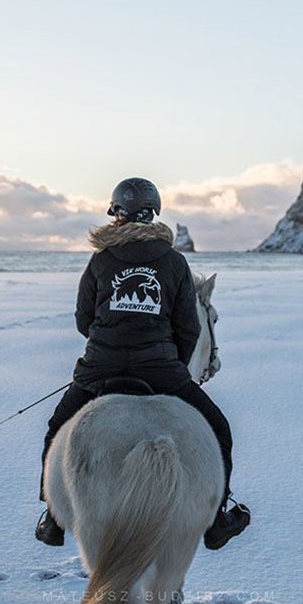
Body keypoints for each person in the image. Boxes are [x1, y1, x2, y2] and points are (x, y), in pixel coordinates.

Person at [36, 177, 250, 550]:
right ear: (153, 214)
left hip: (99, 372)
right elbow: (189, 328)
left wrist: (108, 346)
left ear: (116, 214)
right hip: (162, 371)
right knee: (219, 430)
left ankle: (53, 518)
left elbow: (83, 321)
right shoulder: (174, 262)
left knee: (57, 430)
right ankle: (216, 522)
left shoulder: (100, 261)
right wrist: (173, 367)